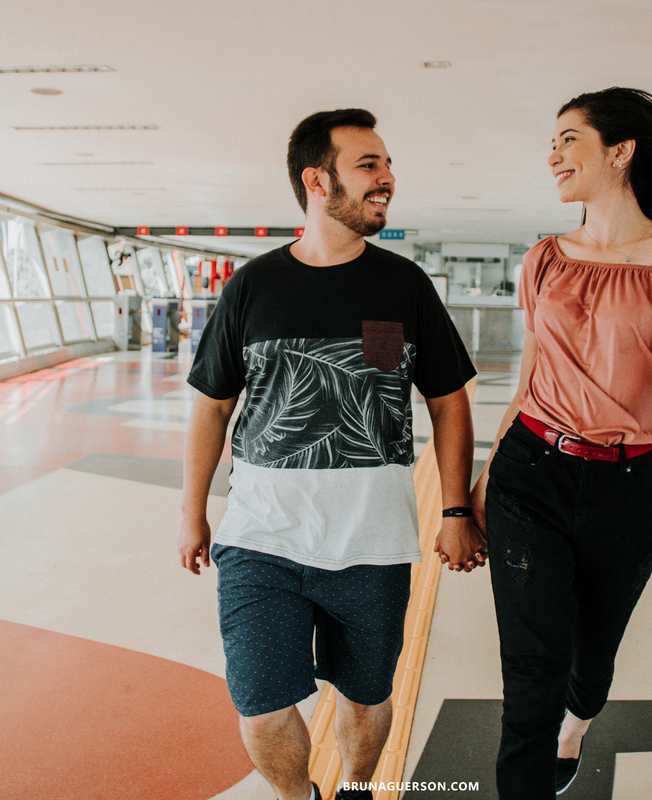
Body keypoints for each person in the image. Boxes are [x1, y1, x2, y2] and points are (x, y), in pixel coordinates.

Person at [178, 108, 486, 800]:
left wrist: (455, 510)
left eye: (387, 164)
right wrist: (191, 512)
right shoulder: (253, 286)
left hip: (373, 544)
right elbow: (212, 406)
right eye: (368, 165)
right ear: (318, 181)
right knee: (260, 704)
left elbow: (448, 401)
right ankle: (298, 797)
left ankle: (355, 787)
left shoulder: (402, 285)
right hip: (261, 541)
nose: (387, 178)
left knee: (365, 695)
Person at [470, 87, 652, 798]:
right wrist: (487, 472)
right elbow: (529, 379)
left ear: (620, 151)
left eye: (568, 139)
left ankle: (578, 724)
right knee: (531, 667)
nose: (553, 155)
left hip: (628, 485)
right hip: (530, 471)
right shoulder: (545, 257)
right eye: (551, 142)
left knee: (591, 659)